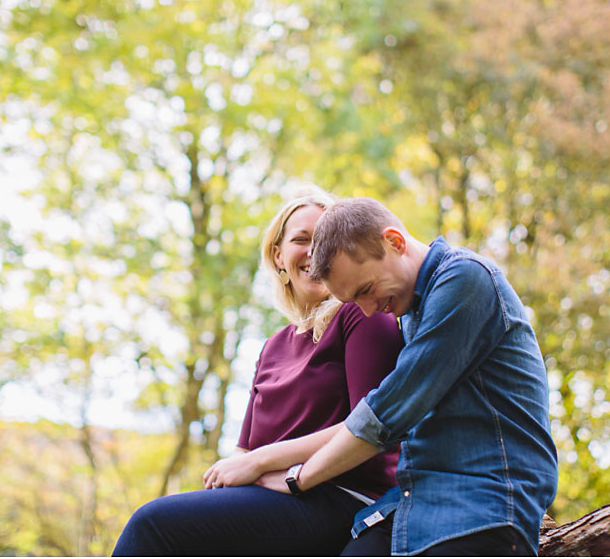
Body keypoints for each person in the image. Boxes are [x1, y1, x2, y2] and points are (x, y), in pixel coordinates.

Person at [257, 198, 558, 556]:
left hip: (484, 506)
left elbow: (387, 413)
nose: (369, 310)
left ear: (395, 242)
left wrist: (298, 478)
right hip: (416, 504)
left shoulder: (466, 280)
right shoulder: (411, 307)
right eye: (355, 301)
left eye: (366, 290)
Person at [112, 189, 403, 556]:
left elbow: (372, 426)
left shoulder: (360, 315)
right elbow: (243, 452)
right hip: (272, 502)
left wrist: (258, 462)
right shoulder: (273, 347)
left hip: (342, 495)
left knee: (152, 525)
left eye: (325, 241)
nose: (314, 251)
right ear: (279, 257)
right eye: (301, 239)